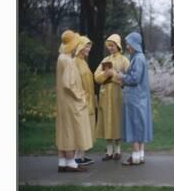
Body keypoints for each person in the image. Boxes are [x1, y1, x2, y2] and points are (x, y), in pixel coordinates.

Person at [55, 30, 93, 172]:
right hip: (71, 102)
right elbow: (68, 84)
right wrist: (81, 96)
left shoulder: (61, 58)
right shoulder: (68, 61)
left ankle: (62, 162)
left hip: (63, 102)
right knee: (71, 131)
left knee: (63, 131)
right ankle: (71, 163)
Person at [114, 32, 153, 165]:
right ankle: (140, 155)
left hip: (135, 99)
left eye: (128, 43)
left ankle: (135, 156)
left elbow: (135, 78)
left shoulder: (138, 58)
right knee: (140, 126)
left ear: (134, 44)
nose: (127, 46)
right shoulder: (138, 57)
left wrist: (121, 77)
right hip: (139, 97)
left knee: (134, 126)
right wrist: (124, 78)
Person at [94, 34, 130, 161]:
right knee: (106, 122)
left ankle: (118, 150)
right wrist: (105, 74)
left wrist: (113, 76)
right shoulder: (105, 60)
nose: (110, 48)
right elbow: (96, 77)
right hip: (105, 95)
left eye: (112, 45)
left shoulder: (124, 60)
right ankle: (109, 151)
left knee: (117, 121)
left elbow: (128, 78)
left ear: (118, 45)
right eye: (108, 46)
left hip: (117, 95)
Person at [73, 36, 96, 166]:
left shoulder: (83, 62)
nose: (89, 49)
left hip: (89, 101)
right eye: (86, 46)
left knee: (86, 128)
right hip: (81, 101)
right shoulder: (75, 62)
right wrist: (80, 98)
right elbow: (74, 83)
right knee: (80, 128)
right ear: (80, 46)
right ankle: (76, 157)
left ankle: (81, 156)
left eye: (90, 46)